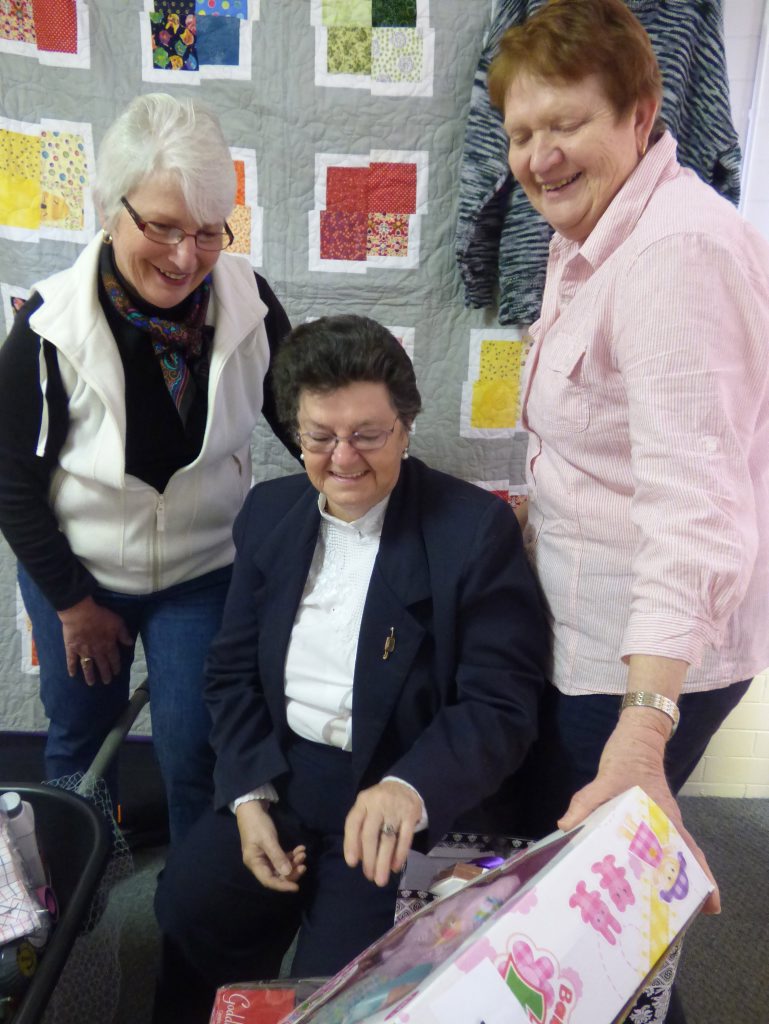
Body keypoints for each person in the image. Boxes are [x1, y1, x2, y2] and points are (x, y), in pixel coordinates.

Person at [487, 1, 769, 1018]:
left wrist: (641, 736)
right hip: (591, 621)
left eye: (564, 124)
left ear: (641, 112)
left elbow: (697, 513)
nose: (537, 155)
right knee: (576, 883)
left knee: (594, 914)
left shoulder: (675, 254)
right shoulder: (596, 225)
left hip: (639, 661)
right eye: (521, 133)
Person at [153, 314, 547, 1023]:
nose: (343, 459)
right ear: (294, 432)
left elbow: (501, 703)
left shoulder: (470, 530)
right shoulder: (268, 512)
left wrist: (409, 787)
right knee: (191, 901)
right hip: (284, 770)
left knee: (346, 990)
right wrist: (246, 796)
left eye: (367, 434)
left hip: (396, 785)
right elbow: (232, 671)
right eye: (318, 436)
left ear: (404, 426)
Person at [0, 94, 295, 842]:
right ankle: (74, 917)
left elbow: (300, 420)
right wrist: (72, 604)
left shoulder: (247, 301)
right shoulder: (49, 327)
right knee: (79, 744)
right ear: (109, 208)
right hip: (80, 570)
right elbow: (8, 478)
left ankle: (188, 923)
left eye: (205, 232)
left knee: (195, 746)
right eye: (161, 227)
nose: (184, 257)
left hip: (202, 572)